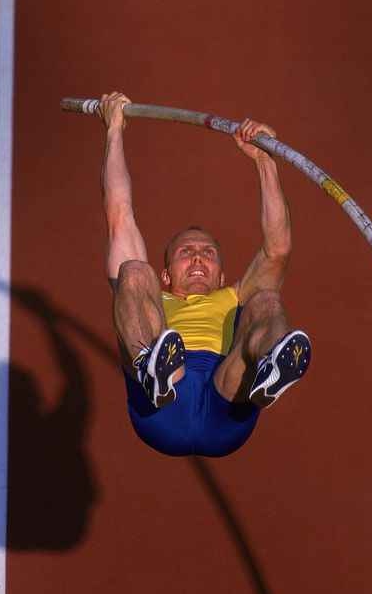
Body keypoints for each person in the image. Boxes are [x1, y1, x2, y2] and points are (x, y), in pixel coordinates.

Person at [98, 91, 311, 458]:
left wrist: (265, 162)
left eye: (208, 253)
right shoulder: (152, 296)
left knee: (266, 299)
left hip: (224, 402)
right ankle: (153, 368)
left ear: (221, 272)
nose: (198, 258)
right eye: (186, 253)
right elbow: (120, 213)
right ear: (165, 276)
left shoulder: (234, 297)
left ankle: (271, 367)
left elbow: (277, 249)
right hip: (162, 407)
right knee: (131, 271)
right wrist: (114, 129)